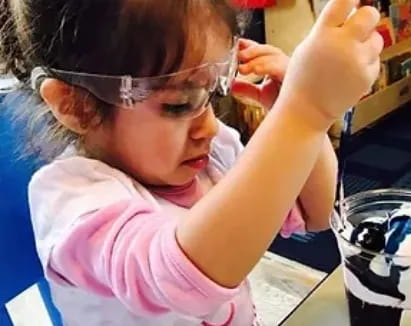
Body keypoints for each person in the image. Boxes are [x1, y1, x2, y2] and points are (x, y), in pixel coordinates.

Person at [0, 0, 382, 324]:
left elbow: (313, 210)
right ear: (77, 106)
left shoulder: (213, 153)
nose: (210, 127)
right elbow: (180, 280)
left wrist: (296, 118)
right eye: (180, 104)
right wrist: (304, 111)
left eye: (212, 94)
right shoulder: (72, 199)